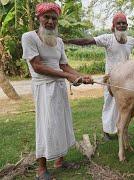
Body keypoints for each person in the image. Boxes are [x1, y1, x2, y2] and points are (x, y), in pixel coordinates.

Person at [65, 12, 134, 141]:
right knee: (109, 103)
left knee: (127, 105)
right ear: (113, 26)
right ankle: (107, 132)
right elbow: (88, 41)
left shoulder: (131, 40)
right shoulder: (107, 38)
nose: (121, 25)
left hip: (127, 79)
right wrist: (68, 41)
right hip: (110, 78)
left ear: (127, 25)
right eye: (118, 23)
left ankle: (122, 130)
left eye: (124, 23)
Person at [21, 2, 94, 179]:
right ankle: (41, 169)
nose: (50, 21)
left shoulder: (58, 41)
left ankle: (60, 161)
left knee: (62, 123)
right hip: (44, 88)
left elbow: (64, 65)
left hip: (59, 87)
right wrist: (66, 76)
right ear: (38, 18)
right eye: (47, 17)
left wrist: (82, 76)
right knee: (46, 125)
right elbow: (37, 66)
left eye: (54, 18)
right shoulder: (29, 37)